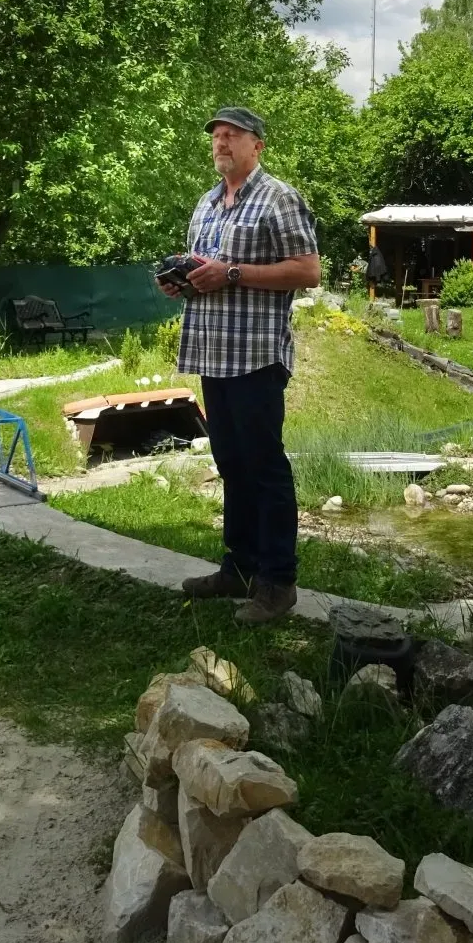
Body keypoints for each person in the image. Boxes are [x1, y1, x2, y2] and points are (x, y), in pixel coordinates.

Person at [158, 106, 321, 624]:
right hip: (213, 352)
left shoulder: (279, 198)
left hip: (255, 355)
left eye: (232, 135)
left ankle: (278, 582)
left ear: (257, 145)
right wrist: (181, 280)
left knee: (264, 466)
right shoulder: (207, 203)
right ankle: (239, 568)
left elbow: (308, 271)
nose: (221, 143)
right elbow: (205, 268)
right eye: (216, 136)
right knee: (231, 462)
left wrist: (229, 273)